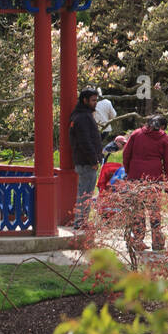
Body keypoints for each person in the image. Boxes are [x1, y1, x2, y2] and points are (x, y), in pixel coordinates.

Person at [121, 114, 168, 251]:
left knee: (137, 210)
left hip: (135, 177)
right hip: (154, 179)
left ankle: (138, 241)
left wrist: (128, 170)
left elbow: (126, 154)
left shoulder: (136, 134)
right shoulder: (164, 138)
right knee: (154, 211)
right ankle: (157, 241)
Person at [68, 88, 103, 229]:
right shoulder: (83, 117)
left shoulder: (79, 116)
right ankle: (80, 222)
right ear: (85, 100)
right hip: (86, 162)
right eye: (93, 100)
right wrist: (93, 160)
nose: (95, 103)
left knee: (85, 192)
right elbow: (85, 141)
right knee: (85, 193)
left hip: (83, 160)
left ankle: (81, 221)